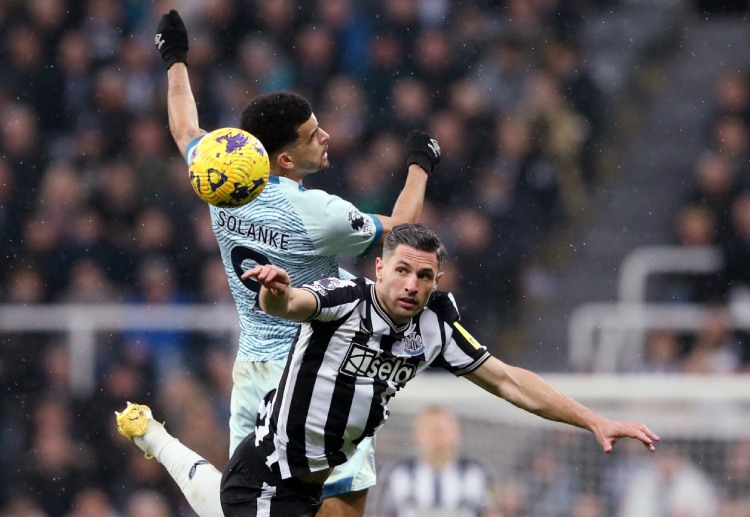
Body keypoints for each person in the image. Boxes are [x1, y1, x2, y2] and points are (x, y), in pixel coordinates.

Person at [116, 10, 441, 517]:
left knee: (243, 506)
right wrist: (421, 163)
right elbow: (401, 233)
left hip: (251, 367)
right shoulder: (315, 213)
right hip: (316, 372)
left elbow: (184, 127)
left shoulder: (217, 177)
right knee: (337, 507)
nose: (326, 136)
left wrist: (174, 59)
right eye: (312, 135)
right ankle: (161, 443)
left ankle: (160, 443)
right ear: (284, 159)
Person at [214, 223, 660, 516]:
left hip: (318, 487)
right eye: (403, 271)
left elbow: (508, 381)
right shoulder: (344, 298)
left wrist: (594, 420)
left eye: (424, 276)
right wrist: (275, 291)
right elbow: (292, 304)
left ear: (437, 280)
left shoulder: (436, 329)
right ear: (380, 268)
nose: (412, 285)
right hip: (267, 479)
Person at [374, 406, 499, 517]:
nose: (438, 438)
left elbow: (493, 513)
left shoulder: (477, 473)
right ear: (417, 434)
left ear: (457, 433)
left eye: (443, 430)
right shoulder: (397, 473)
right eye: (432, 431)